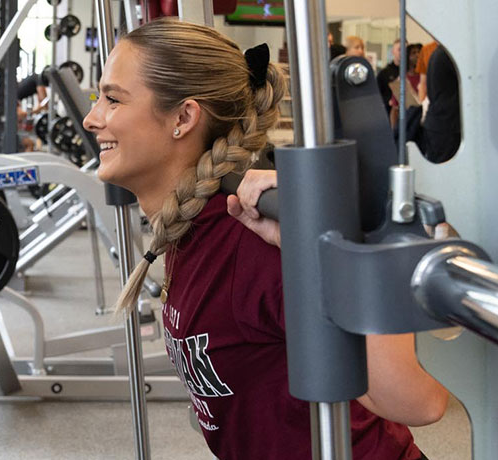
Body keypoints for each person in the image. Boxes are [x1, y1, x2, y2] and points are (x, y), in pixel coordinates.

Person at [82, 18, 448, 459]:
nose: (92, 117)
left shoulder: (249, 240)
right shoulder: (190, 229)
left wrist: (325, 252)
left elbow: (418, 402)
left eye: (112, 99)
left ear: (183, 118)